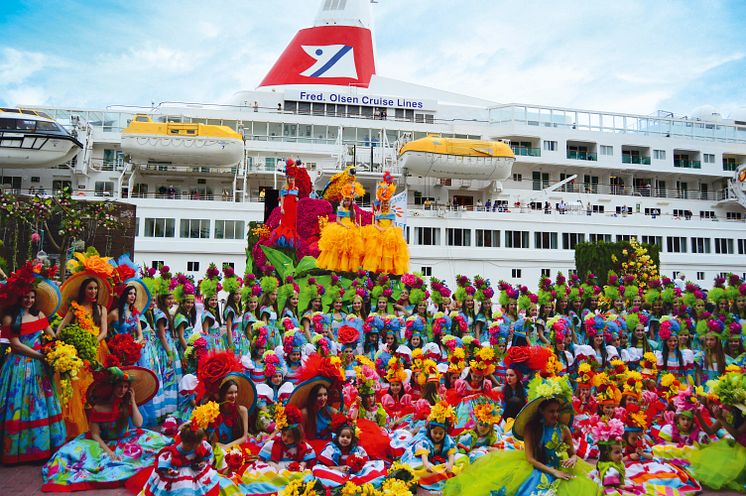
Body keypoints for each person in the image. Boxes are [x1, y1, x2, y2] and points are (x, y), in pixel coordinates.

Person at [443, 376, 598, 496]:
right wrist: (553, 472)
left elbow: (573, 455)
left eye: (557, 411)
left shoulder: (564, 430)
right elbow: (530, 459)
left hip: (559, 470)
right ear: (541, 411)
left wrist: (572, 459)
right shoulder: (532, 428)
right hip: (535, 469)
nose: (556, 414)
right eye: (551, 411)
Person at [42, 367, 170, 491]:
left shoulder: (125, 404)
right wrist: (109, 452)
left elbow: (138, 423)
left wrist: (133, 401)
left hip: (125, 439)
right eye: (120, 386)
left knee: (155, 447)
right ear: (112, 387)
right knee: (76, 457)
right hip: (103, 443)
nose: (123, 390)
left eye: (126, 387)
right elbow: (95, 435)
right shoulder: (99, 407)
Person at [0, 264, 67, 463]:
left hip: (40, 366)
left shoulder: (40, 315)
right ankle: (18, 450)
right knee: (20, 404)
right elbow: (16, 345)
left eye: (31, 297)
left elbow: (51, 336)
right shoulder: (9, 318)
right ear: (18, 298)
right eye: (25, 297)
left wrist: (59, 349)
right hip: (19, 366)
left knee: (40, 404)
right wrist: (41, 356)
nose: (29, 300)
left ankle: (42, 448)